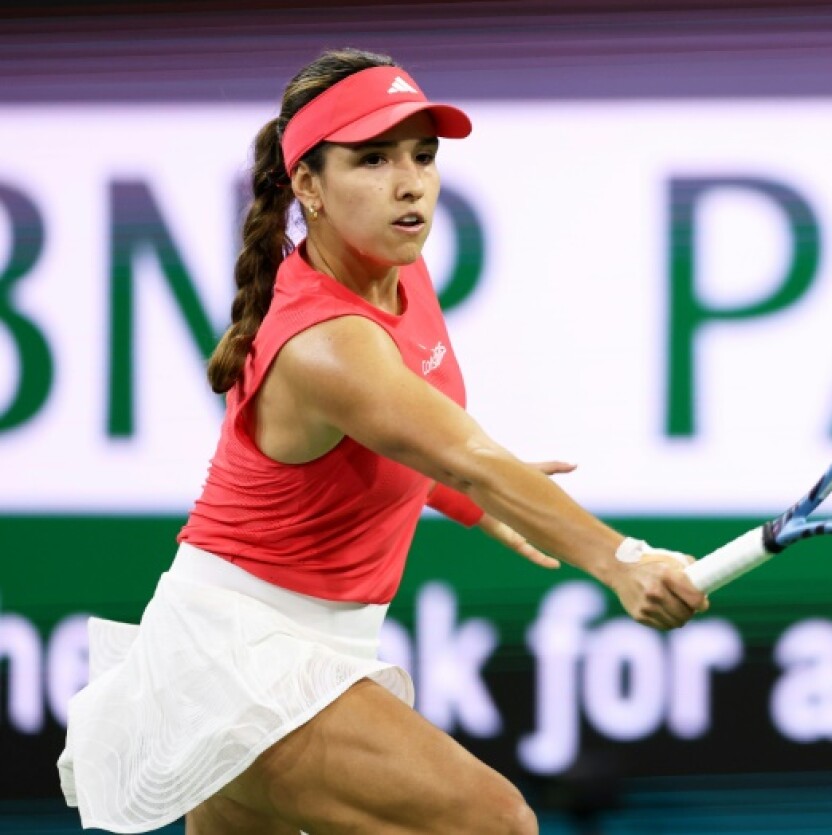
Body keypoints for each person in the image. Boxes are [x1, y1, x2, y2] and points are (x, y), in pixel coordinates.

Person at [57, 47, 708, 835]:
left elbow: (405, 446)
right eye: (372, 159)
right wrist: (620, 559)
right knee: (496, 823)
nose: (411, 183)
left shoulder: (397, 267)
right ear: (308, 185)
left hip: (260, 648)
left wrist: (467, 500)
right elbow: (466, 453)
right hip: (244, 658)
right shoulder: (325, 342)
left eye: (423, 157)